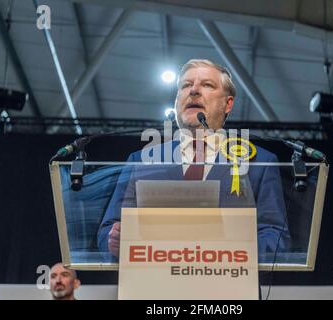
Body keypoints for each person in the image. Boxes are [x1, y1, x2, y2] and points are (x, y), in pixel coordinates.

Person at [98, 59, 290, 262]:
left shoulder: (259, 162)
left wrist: (221, 256)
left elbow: (276, 237)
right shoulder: (142, 161)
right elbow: (106, 235)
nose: (194, 91)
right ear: (177, 100)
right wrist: (114, 241)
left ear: (228, 104)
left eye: (207, 85)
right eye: (186, 85)